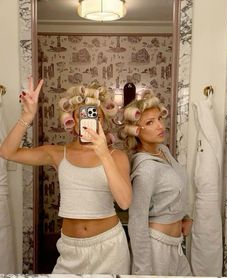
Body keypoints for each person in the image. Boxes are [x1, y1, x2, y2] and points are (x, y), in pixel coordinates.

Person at [0, 77, 132, 274]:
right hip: (70, 250)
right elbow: (7, 152)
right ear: (73, 120)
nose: (90, 120)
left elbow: (124, 202)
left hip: (110, 248)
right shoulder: (57, 153)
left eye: (97, 116)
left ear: (104, 123)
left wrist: (104, 153)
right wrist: (26, 117)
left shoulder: (116, 156)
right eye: (84, 115)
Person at [120, 90, 192, 276]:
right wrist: (143, 270)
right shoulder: (145, 169)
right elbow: (137, 221)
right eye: (150, 122)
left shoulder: (163, 151)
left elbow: (175, 187)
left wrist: (184, 216)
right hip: (156, 248)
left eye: (159, 118)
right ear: (137, 131)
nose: (160, 125)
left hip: (175, 244)